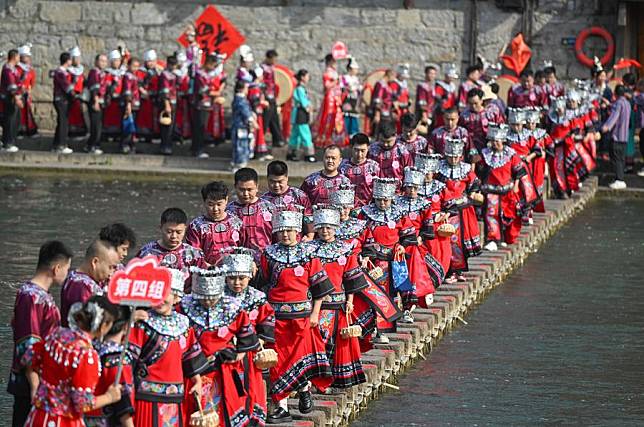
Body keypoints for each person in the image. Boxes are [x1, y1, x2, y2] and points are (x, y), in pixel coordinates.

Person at [259, 210, 334, 423]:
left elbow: (320, 288)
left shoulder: (309, 254)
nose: (285, 235)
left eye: (290, 230)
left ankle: (304, 388)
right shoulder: (268, 254)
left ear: (298, 231)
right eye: (281, 231)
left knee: (300, 356)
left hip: (303, 317)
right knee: (279, 360)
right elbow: (263, 284)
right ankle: (280, 406)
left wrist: (315, 313)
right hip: (276, 318)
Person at [24, 296, 123, 426]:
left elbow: (28, 358)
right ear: (104, 325)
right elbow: (82, 403)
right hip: (64, 421)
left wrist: (36, 387)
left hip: (39, 415)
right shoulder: (86, 355)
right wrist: (110, 397)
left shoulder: (57, 334)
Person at [180, 267, 260, 426]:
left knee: (226, 405)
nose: (208, 302)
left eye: (212, 298)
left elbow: (246, 331)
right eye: (204, 298)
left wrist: (240, 353)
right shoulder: (184, 308)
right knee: (198, 408)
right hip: (195, 368)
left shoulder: (233, 308)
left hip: (225, 367)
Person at [129, 275, 208, 427]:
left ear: (176, 296)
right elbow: (129, 358)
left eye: (164, 294)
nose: (159, 299)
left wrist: (197, 381)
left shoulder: (184, 324)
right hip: (147, 395)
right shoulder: (142, 322)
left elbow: (190, 355)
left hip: (175, 395)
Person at [8, 241, 73, 427]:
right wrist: (35, 384)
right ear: (56, 268)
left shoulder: (37, 295)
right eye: (66, 269)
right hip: (31, 382)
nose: (66, 274)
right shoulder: (31, 297)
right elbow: (28, 342)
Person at [310, 206, 368, 388]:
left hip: (339, 303)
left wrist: (350, 301)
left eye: (329, 227)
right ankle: (318, 381)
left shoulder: (345, 249)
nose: (325, 231)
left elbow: (350, 278)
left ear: (335, 227)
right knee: (320, 341)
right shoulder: (308, 250)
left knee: (338, 343)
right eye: (321, 227)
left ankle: (334, 380)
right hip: (316, 305)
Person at [222, 250, 275, 425]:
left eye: (241, 278)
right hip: (226, 353)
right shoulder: (218, 298)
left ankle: (252, 420)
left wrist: (257, 342)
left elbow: (267, 322)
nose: (237, 282)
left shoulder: (257, 298)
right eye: (232, 278)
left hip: (251, 353)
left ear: (249, 277)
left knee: (252, 387)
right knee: (229, 390)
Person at [357, 178, 406, 340]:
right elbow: (359, 235)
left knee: (393, 293)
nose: (383, 203)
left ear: (391, 198)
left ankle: (387, 327)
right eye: (379, 199)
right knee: (376, 295)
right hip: (373, 261)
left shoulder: (399, 213)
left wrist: (401, 245)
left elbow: (408, 233)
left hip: (394, 260)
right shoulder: (365, 214)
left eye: (386, 200)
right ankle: (375, 329)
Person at [395, 167, 443, 312]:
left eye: (414, 187)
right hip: (399, 243)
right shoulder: (396, 203)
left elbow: (427, 226)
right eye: (409, 187)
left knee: (420, 270)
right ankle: (404, 301)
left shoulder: (424, 204)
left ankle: (413, 299)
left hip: (416, 242)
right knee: (400, 274)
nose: (411, 190)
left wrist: (420, 237)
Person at [435, 137, 482, 283]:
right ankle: (450, 271)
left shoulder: (466, 169)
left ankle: (460, 270)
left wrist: (473, 192)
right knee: (451, 240)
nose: (454, 159)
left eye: (456, 157)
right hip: (449, 210)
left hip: (464, 209)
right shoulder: (440, 169)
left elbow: (475, 183)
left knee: (462, 242)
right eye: (451, 157)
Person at [84, 306, 135, 427]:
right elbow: (123, 402)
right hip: (109, 420)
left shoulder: (91, 348)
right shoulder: (116, 357)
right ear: (125, 327)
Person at [479, 124, 526, 252]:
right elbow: (480, 171)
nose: (495, 144)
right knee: (492, 214)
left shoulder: (510, 154)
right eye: (493, 141)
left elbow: (519, 171)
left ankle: (505, 237)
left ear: (503, 141)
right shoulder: (485, 154)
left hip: (507, 191)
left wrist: (516, 186)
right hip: (491, 191)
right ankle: (493, 239)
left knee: (508, 214)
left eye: (498, 141)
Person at [137, 208, 205, 289]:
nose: (174, 236)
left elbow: (203, 280)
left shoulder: (194, 254)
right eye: (169, 232)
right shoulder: (147, 253)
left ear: (185, 229)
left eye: (179, 232)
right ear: (161, 228)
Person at [60, 240, 120, 326]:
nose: (111, 273)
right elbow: (87, 321)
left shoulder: (86, 279)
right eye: (110, 267)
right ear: (95, 262)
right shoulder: (80, 286)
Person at [186, 181, 243, 265]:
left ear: (226, 200)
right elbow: (193, 253)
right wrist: (207, 267)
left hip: (234, 270)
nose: (215, 209)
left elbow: (245, 248)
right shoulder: (196, 226)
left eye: (219, 204)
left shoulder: (236, 223)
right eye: (211, 204)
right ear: (204, 201)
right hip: (208, 272)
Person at [227, 168, 277, 253]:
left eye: (250, 190)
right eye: (242, 190)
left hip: (266, 257)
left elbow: (278, 236)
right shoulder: (229, 211)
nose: (246, 194)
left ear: (257, 187)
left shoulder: (269, 208)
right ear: (235, 187)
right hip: (240, 259)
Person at [261, 160, 314, 240]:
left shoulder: (299, 196)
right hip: (273, 245)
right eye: (272, 181)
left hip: (297, 244)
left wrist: (310, 236)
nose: (276, 185)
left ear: (287, 178)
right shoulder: (263, 201)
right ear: (267, 179)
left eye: (280, 181)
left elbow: (309, 218)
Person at [506, 108, 541, 217]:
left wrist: (529, 157)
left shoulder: (528, 135)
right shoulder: (506, 136)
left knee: (526, 188)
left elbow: (537, 150)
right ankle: (514, 210)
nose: (516, 127)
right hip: (511, 167)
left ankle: (527, 211)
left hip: (525, 166)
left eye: (519, 125)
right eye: (514, 125)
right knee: (513, 189)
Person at [367, 121, 413, 191]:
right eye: (382, 141)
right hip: (376, 193)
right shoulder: (372, 150)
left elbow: (409, 173)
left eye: (388, 142)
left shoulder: (402, 151)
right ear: (378, 136)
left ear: (395, 136)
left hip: (397, 193)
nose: (385, 144)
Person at [459, 87, 505, 155]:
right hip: (471, 150)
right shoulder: (464, 115)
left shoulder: (492, 112)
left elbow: (501, 127)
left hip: (490, 148)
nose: (473, 106)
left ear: (481, 100)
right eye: (470, 103)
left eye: (476, 103)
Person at [339, 133, 381, 208]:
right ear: (351, 147)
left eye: (363, 150)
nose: (359, 154)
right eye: (356, 150)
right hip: (346, 209)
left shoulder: (374, 167)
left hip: (369, 208)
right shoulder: (342, 166)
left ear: (368, 148)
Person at [602, 85, 631, 190]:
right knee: (621, 159)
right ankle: (620, 178)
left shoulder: (618, 103)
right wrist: (609, 104)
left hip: (617, 136)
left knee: (616, 159)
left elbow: (614, 116)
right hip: (624, 136)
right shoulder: (627, 103)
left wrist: (606, 127)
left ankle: (619, 180)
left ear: (615, 93)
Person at [315, 53, 346, 148]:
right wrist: (336, 81)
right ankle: (325, 138)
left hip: (336, 97)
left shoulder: (334, 72)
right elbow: (327, 86)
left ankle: (333, 138)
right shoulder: (327, 72)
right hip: (330, 98)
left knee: (336, 117)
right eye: (334, 61)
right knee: (328, 118)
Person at [191, 54, 218, 159]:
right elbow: (204, 89)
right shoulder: (200, 74)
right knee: (200, 127)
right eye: (213, 65)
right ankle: (198, 149)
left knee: (202, 127)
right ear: (208, 63)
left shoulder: (207, 74)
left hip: (207, 104)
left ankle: (195, 148)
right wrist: (216, 93)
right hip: (201, 104)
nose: (213, 68)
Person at [288, 69, 315, 162]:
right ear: (302, 77)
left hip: (298, 113)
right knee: (305, 133)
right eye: (307, 76)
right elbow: (304, 103)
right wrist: (309, 108)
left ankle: (291, 152)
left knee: (295, 135)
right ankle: (309, 154)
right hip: (301, 113)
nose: (308, 78)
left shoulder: (300, 88)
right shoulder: (300, 89)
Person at [136, 49, 162, 142]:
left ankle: (154, 134)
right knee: (144, 118)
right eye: (149, 61)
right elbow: (138, 84)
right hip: (145, 98)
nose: (151, 63)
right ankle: (143, 134)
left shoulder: (158, 71)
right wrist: (144, 92)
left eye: (153, 61)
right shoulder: (141, 71)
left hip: (154, 97)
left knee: (154, 117)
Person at [52, 51, 75, 154]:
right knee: (63, 122)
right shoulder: (60, 72)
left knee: (62, 121)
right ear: (67, 61)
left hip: (64, 100)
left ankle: (56, 144)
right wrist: (74, 94)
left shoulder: (65, 72)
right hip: (61, 99)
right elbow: (66, 86)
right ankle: (61, 145)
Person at [231, 80, 257, 171]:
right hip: (240, 126)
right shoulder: (240, 100)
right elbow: (246, 113)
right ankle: (239, 163)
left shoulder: (238, 99)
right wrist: (254, 123)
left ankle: (237, 162)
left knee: (239, 144)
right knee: (241, 145)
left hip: (239, 126)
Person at [85, 54, 108, 154]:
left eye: (105, 61)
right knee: (95, 125)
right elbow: (94, 88)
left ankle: (91, 144)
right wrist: (96, 101)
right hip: (95, 101)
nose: (103, 63)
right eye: (101, 61)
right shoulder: (94, 72)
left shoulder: (102, 73)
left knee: (98, 124)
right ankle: (93, 145)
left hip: (101, 100)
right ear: (96, 61)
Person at [262, 49, 285, 148]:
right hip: (265, 96)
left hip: (272, 96)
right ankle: (260, 140)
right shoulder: (261, 68)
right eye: (273, 59)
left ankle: (278, 139)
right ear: (268, 58)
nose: (274, 61)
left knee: (274, 118)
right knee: (265, 119)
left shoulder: (272, 68)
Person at [1, 49, 22, 153]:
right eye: (18, 57)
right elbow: (11, 85)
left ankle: (9, 141)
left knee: (14, 120)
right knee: (10, 120)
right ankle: (8, 143)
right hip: (9, 98)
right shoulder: (8, 69)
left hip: (13, 97)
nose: (19, 59)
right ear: (14, 57)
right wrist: (17, 98)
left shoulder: (14, 69)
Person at [158, 55, 179, 155]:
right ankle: (164, 146)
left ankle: (169, 145)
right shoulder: (164, 75)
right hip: (167, 102)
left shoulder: (174, 75)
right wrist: (167, 104)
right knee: (165, 125)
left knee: (171, 125)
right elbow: (164, 91)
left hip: (174, 101)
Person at [120, 57, 142, 154]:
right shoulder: (127, 76)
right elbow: (127, 91)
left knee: (133, 126)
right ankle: (125, 145)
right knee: (128, 125)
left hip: (135, 104)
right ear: (128, 66)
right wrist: (128, 104)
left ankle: (132, 145)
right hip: (128, 104)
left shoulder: (134, 76)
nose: (135, 68)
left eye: (137, 66)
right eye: (133, 66)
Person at [103, 49, 125, 140]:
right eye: (115, 60)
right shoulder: (107, 73)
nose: (117, 63)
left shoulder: (122, 73)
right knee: (109, 118)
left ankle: (117, 135)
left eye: (118, 60)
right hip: (110, 100)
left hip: (119, 99)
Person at [17, 43, 37, 137]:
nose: (28, 58)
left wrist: (29, 89)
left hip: (26, 94)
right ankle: (19, 131)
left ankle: (29, 130)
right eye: (26, 56)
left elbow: (32, 82)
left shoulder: (30, 69)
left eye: (28, 57)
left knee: (27, 113)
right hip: (19, 94)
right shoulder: (17, 68)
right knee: (19, 114)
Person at [67, 47, 88, 139]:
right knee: (72, 115)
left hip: (80, 96)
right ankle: (71, 132)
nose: (78, 60)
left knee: (80, 114)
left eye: (79, 58)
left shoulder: (82, 70)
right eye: (76, 58)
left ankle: (81, 132)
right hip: (71, 96)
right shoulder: (68, 71)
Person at [368, 69, 395, 139]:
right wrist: (377, 114)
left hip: (386, 112)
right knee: (378, 132)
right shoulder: (380, 84)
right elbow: (377, 99)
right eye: (394, 77)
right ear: (390, 75)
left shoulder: (386, 85)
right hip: (381, 113)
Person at [340, 57, 362, 138]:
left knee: (354, 116)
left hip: (354, 100)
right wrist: (348, 88)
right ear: (350, 69)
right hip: (347, 99)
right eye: (355, 69)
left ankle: (354, 134)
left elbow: (359, 89)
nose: (356, 71)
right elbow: (341, 87)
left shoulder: (356, 79)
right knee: (346, 116)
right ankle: (345, 135)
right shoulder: (344, 78)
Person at [434, 64, 459, 128]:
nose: (452, 78)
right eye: (451, 77)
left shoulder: (452, 86)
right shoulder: (440, 86)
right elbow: (437, 98)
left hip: (451, 111)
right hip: (442, 111)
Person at [390, 63, 411, 132]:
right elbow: (393, 97)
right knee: (397, 126)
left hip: (405, 109)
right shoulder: (394, 84)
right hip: (397, 108)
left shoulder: (404, 83)